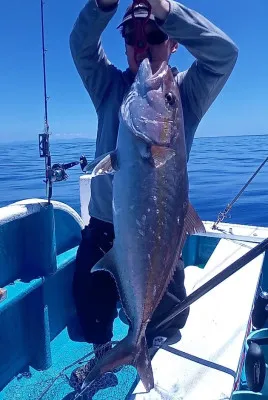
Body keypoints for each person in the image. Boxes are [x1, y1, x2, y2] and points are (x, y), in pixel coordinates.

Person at [69, 0, 238, 391]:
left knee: (171, 314)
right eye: (131, 37)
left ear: (173, 42)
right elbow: (81, 46)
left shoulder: (184, 94)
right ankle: (104, 353)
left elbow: (224, 55)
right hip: (104, 227)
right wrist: (102, 7)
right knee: (88, 302)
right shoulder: (109, 87)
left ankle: (144, 345)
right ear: (124, 44)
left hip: (160, 231)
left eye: (156, 35)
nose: (142, 46)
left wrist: (168, 11)